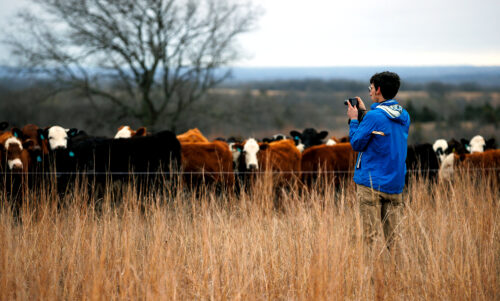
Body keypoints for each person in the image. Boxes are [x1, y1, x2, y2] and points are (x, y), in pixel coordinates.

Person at [346, 71, 410, 250]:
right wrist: (364, 113)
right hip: (395, 184)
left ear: (378, 89)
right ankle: (399, 275)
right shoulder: (404, 116)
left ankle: (370, 277)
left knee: (369, 238)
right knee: (395, 239)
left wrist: (354, 119)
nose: (369, 92)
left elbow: (357, 143)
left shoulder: (374, 117)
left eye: (371, 88)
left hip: (371, 183)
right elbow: (382, 130)